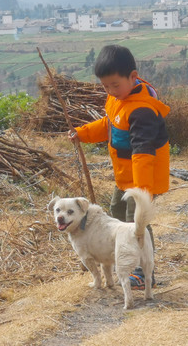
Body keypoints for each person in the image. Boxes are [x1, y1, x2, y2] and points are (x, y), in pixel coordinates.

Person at [68, 44, 170, 289]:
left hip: (141, 178)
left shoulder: (143, 110)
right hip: (124, 176)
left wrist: (143, 191)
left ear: (133, 77)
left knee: (137, 223)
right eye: (105, 86)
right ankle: (122, 259)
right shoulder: (118, 100)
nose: (111, 91)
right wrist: (82, 133)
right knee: (116, 214)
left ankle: (143, 272)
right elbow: (109, 124)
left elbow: (143, 153)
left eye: (115, 85)